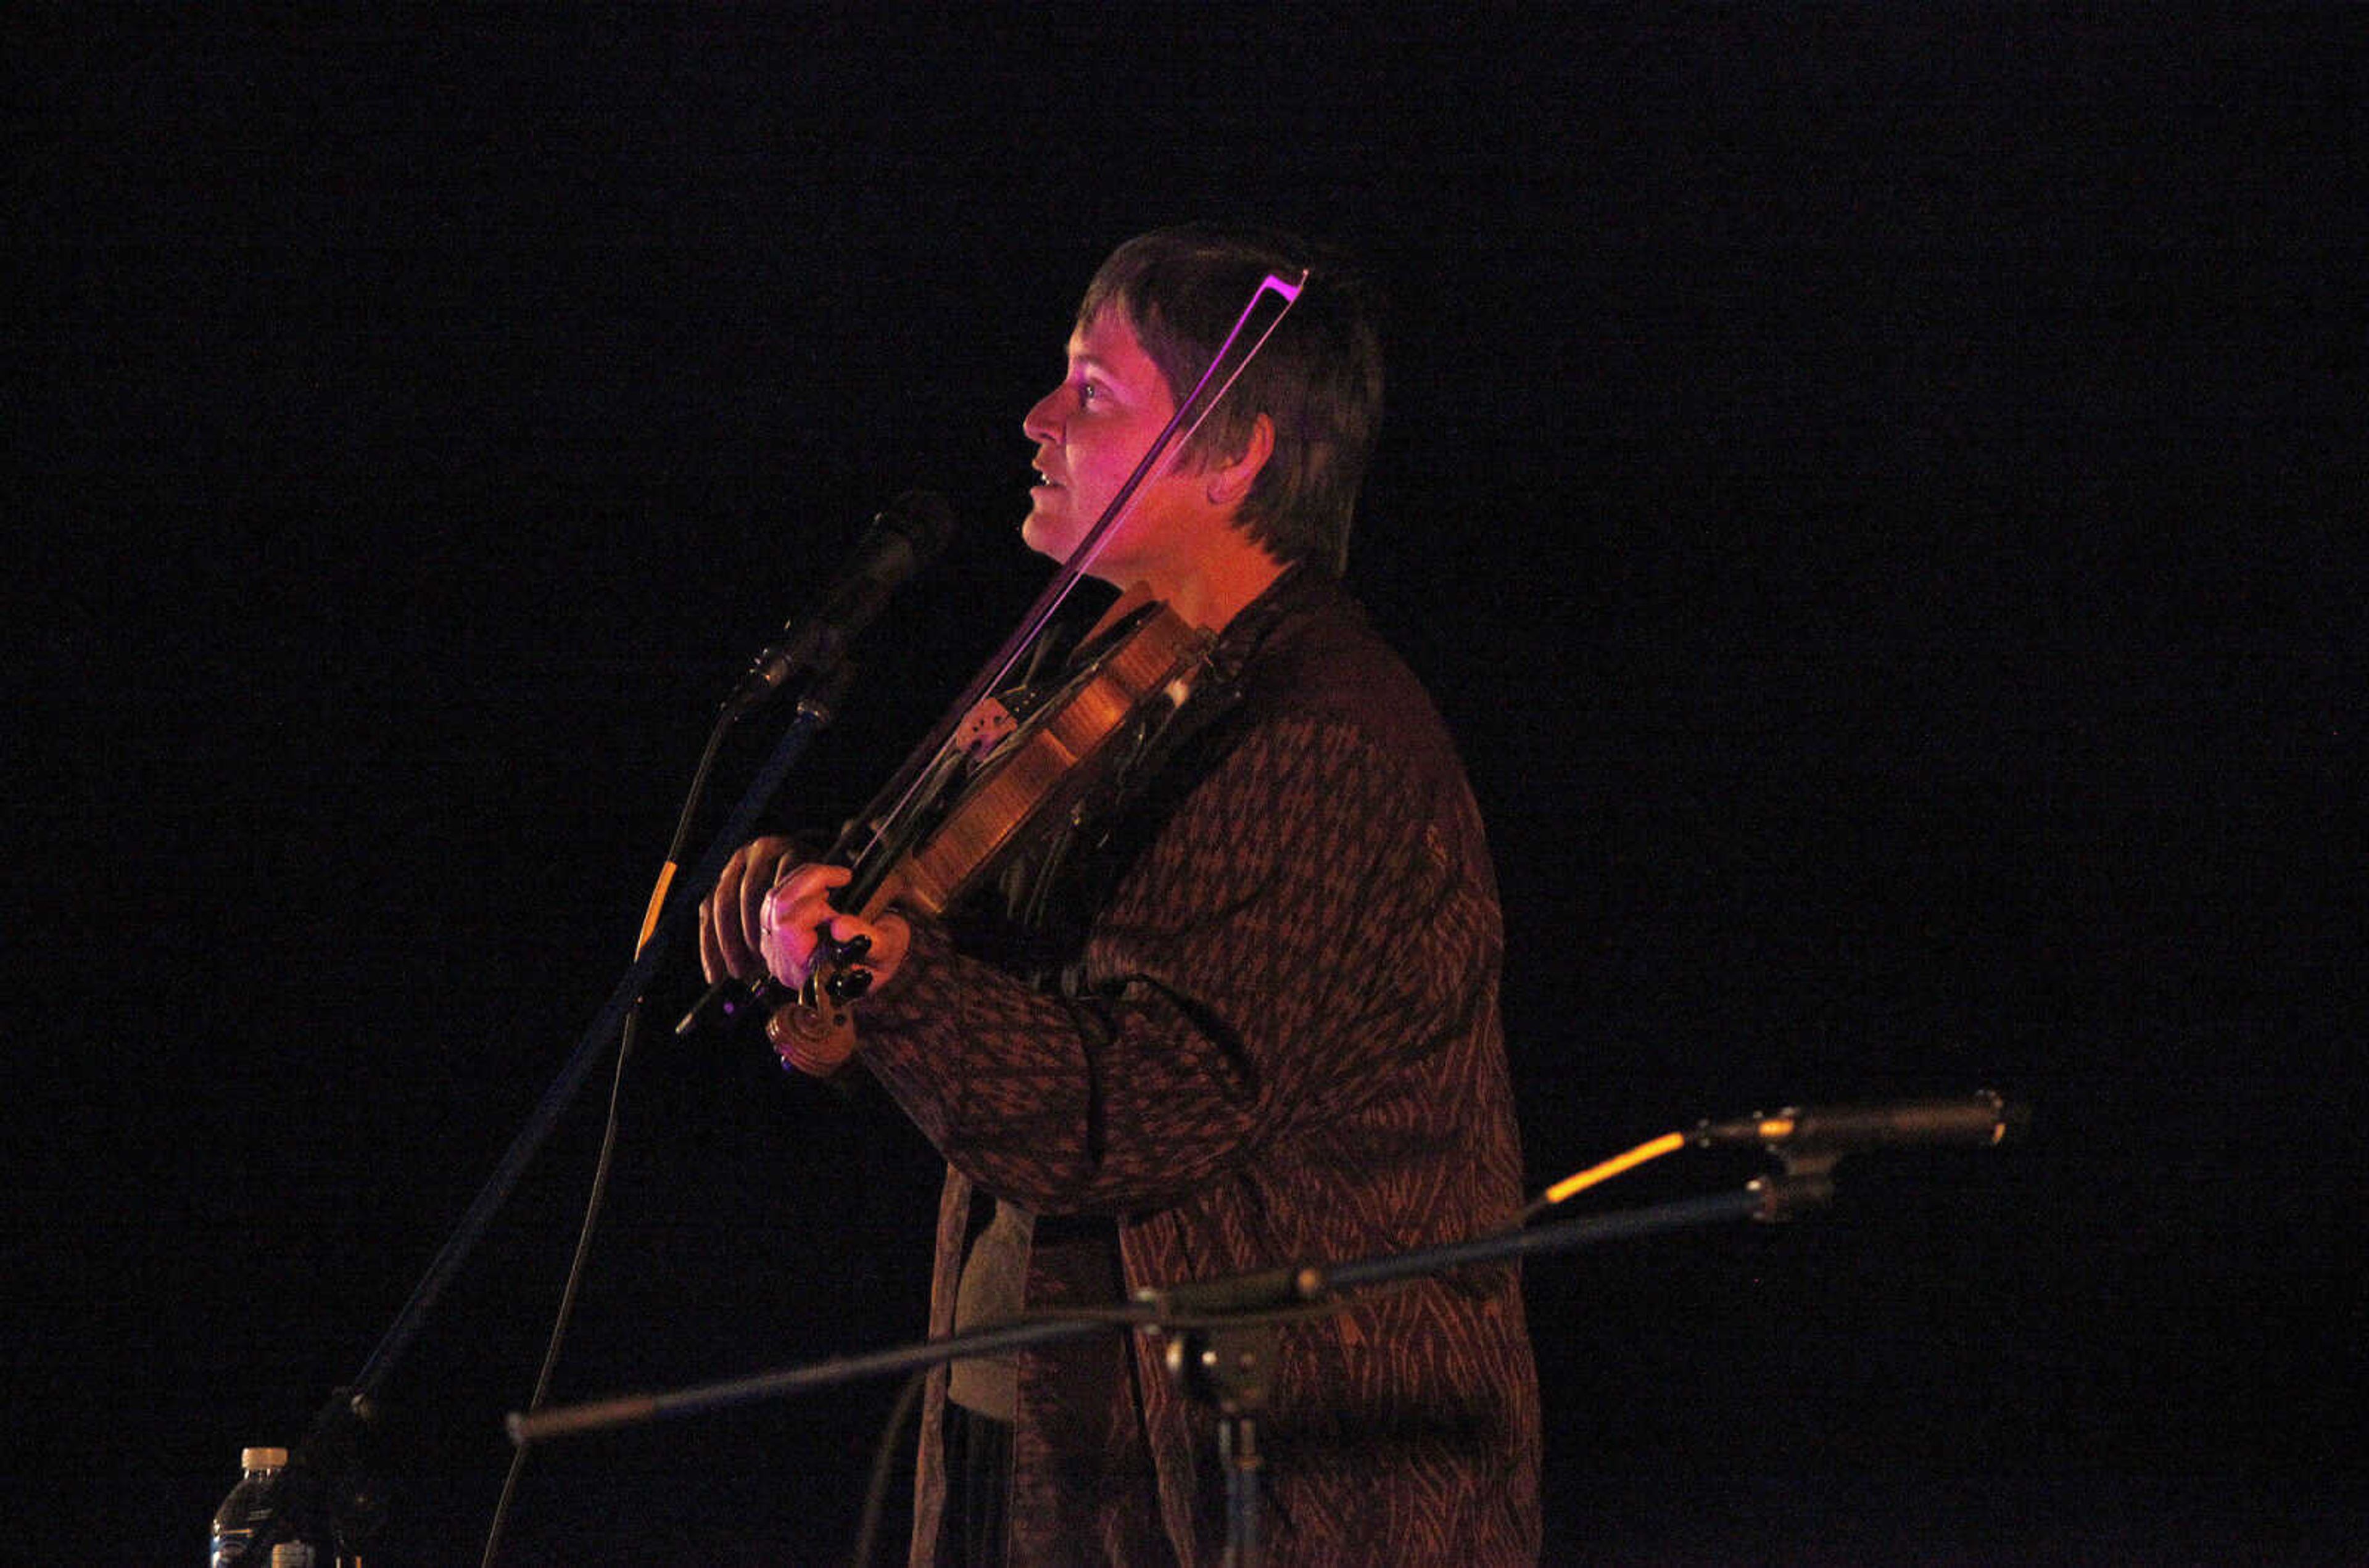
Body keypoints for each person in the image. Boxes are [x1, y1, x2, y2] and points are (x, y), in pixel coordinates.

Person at [700, 224, 1542, 1567]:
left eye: (1093, 389)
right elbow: (986, 982)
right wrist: (813, 910)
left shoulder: (1321, 736)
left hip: (1270, 1484)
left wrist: (893, 977)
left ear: (1235, 449)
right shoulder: (1126, 677)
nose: (1037, 419)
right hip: (1046, 1427)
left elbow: (1134, 1106)